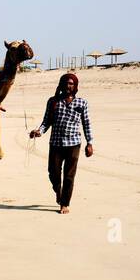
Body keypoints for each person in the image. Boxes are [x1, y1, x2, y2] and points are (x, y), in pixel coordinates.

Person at [30, 72, 94, 214]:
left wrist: (89, 143)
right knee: (53, 173)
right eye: (65, 83)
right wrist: (39, 131)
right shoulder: (53, 101)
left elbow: (87, 124)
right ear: (61, 85)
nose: (68, 86)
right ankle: (58, 191)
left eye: (71, 84)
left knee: (69, 176)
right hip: (56, 144)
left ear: (75, 86)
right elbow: (46, 121)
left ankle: (64, 203)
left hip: (74, 144)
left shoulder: (82, 103)